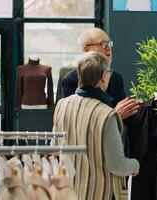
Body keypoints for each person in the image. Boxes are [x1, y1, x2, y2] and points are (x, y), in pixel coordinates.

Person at [53, 51, 139, 200]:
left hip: (69, 191)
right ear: (104, 76)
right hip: (100, 193)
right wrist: (135, 165)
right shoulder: (107, 115)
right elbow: (117, 165)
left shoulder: (62, 105)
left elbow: (55, 148)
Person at [61, 28, 139, 120]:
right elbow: (75, 120)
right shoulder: (70, 80)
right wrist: (114, 116)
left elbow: (125, 117)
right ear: (86, 50)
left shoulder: (116, 78)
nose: (108, 48)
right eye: (102, 44)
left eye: (109, 43)